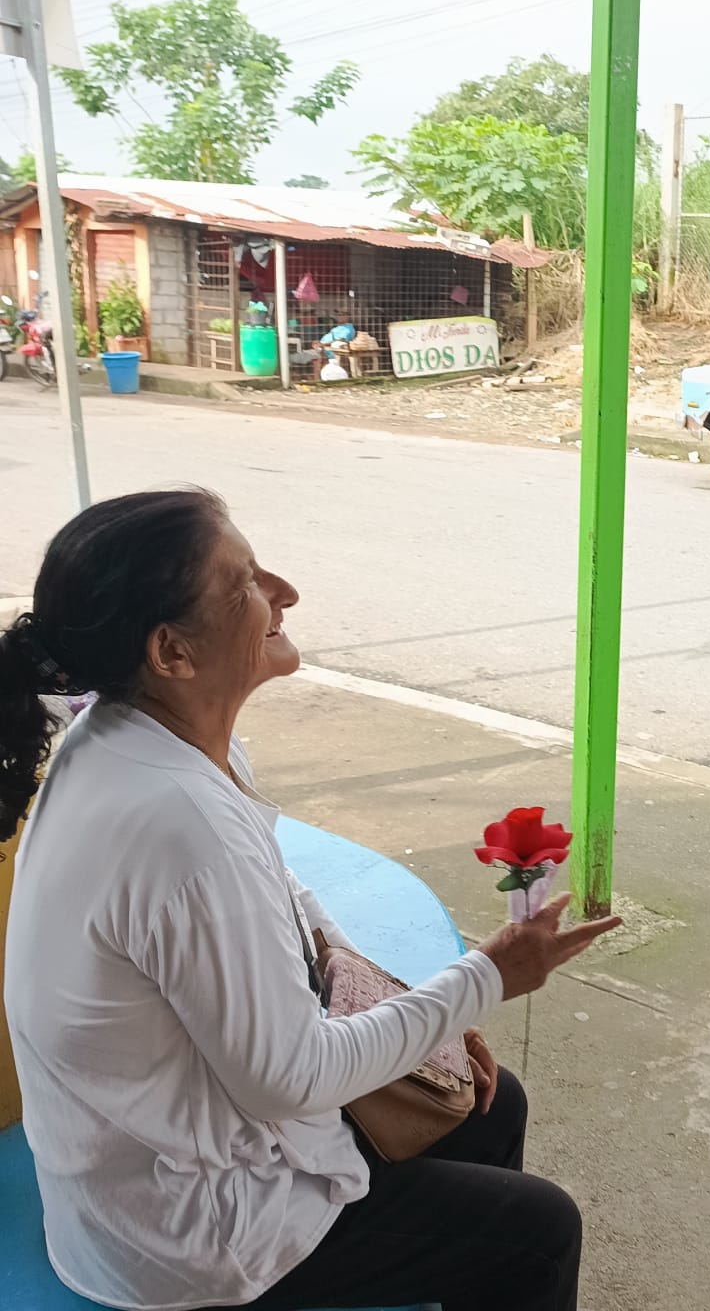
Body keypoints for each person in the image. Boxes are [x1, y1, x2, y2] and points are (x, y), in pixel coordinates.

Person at [0, 490, 620, 1311]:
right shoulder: (177, 824)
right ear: (171, 651)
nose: (283, 591)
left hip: (160, 1158)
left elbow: (280, 897)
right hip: (186, 1228)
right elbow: (290, 1080)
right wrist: (485, 979)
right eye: (245, 583)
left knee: (490, 1103)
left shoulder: (139, 739)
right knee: (539, 1230)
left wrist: (425, 1014)